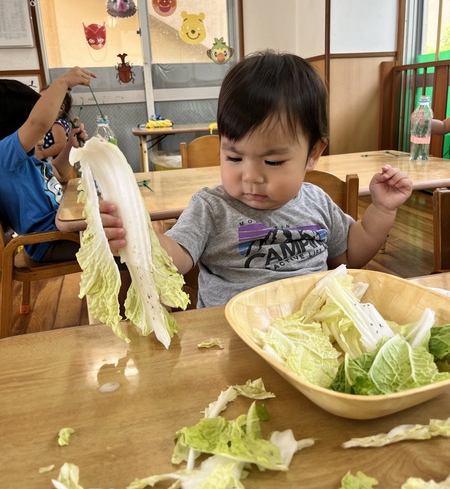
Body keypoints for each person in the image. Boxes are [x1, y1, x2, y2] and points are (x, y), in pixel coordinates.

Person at [99, 51, 414, 308]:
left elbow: (349, 255)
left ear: (313, 153)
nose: (250, 177)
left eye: (273, 161)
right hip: (231, 337)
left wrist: (382, 210)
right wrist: (139, 236)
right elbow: (178, 259)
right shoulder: (211, 207)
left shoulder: (316, 201)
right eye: (234, 158)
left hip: (309, 335)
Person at [0, 67, 95, 262]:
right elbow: (38, 124)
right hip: (49, 241)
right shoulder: (4, 155)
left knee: (124, 230)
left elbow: (59, 172)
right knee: (123, 248)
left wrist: (70, 145)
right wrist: (62, 83)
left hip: (64, 230)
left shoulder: (27, 161)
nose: (44, 133)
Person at [34, 86, 73, 162]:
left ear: (60, 108)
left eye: (43, 101)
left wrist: (43, 154)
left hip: (56, 162)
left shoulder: (57, 124)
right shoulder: (50, 122)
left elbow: (61, 145)